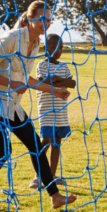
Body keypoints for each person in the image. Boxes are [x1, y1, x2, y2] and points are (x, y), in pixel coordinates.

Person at [0, 1, 77, 210]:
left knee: (36, 147)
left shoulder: (36, 43)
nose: (45, 23)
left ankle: (55, 196)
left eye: (48, 19)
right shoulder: (11, 38)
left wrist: (55, 91)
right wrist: (13, 84)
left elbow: (26, 79)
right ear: (29, 19)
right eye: (41, 18)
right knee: (3, 150)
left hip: (10, 102)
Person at [32, 33, 76, 189]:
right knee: (45, 141)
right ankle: (38, 176)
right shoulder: (41, 65)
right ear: (45, 48)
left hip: (61, 112)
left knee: (57, 143)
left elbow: (72, 83)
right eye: (54, 47)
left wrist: (56, 78)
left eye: (61, 48)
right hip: (46, 111)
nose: (58, 50)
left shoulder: (63, 66)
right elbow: (42, 81)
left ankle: (51, 175)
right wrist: (57, 80)